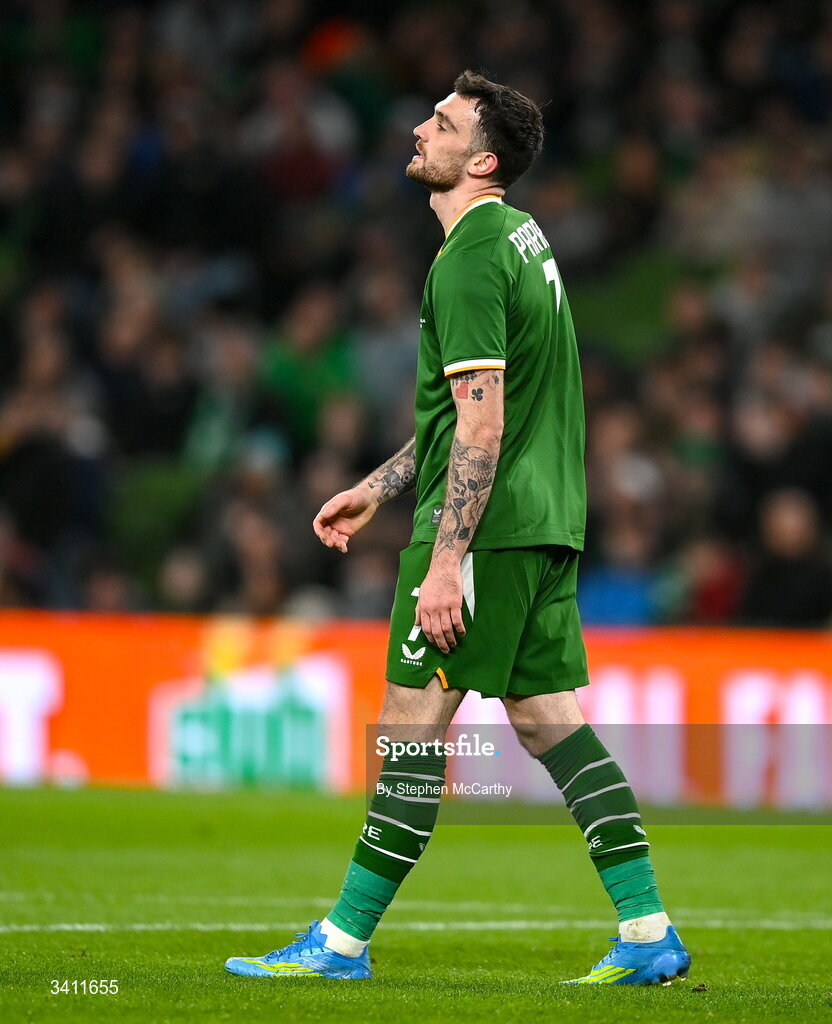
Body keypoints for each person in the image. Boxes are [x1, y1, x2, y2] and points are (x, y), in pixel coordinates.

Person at [224, 70, 691, 986]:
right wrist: (379, 484)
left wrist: (445, 562)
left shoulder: (471, 254)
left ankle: (342, 943)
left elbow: (481, 425)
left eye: (440, 123)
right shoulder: (523, 239)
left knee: (411, 726)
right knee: (551, 723)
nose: (418, 127)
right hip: (547, 521)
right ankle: (648, 935)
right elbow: (466, 414)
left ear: (480, 160)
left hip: (488, 531)